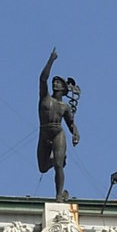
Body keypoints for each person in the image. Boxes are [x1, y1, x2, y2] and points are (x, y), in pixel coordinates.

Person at [37, 48, 80, 202]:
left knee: (58, 166)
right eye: (54, 81)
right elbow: (43, 79)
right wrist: (51, 59)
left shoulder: (65, 107)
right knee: (42, 167)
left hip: (57, 134)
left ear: (63, 88)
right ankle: (58, 160)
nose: (55, 83)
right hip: (44, 132)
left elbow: (71, 124)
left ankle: (58, 195)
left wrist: (75, 134)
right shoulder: (45, 98)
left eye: (58, 82)